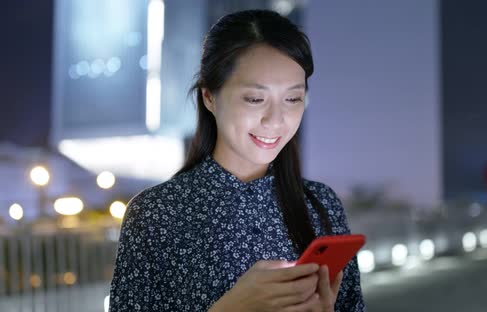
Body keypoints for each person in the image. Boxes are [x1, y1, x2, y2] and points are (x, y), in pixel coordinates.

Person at [108, 9, 365, 312]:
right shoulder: (155, 215)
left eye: (293, 99)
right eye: (256, 99)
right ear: (209, 97)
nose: (276, 120)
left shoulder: (321, 203)